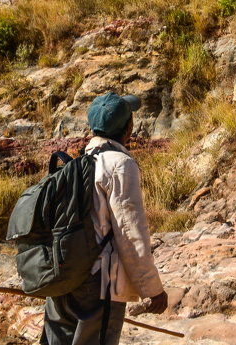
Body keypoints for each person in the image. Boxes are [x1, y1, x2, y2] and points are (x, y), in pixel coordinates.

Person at [41, 93, 168, 345]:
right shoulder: (120, 164)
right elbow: (130, 233)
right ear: (128, 127)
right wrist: (152, 289)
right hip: (97, 286)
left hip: (63, 274)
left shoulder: (75, 162)